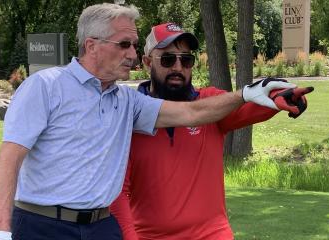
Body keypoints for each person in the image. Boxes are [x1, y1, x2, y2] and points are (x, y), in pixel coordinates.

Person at [0, 4, 299, 240]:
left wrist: (248, 94)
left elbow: (194, 112)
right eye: (124, 45)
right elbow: (9, 159)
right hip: (44, 225)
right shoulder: (46, 86)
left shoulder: (127, 101)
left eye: (135, 46)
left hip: (100, 227)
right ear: (91, 46)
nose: (133, 55)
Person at [109, 23, 313, 239]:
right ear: (147, 62)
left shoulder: (210, 103)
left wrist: (282, 96)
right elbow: (118, 192)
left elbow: (251, 106)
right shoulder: (128, 114)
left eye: (186, 59)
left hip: (211, 234)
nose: (178, 67)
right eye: (168, 59)